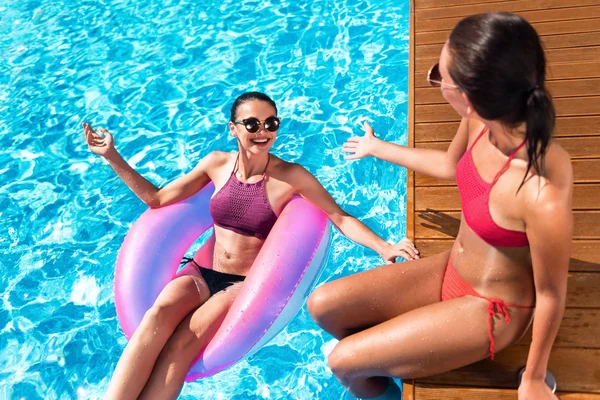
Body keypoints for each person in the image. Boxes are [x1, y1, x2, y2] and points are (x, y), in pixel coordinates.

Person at [84, 91, 418, 400]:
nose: (263, 131)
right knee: (155, 318)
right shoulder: (216, 164)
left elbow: (340, 217)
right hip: (201, 272)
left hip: (239, 285)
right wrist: (112, 156)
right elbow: (157, 198)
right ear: (233, 128)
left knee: (180, 345)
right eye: (252, 124)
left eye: (271, 123)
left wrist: (384, 247)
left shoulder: (290, 177)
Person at [307, 12, 572, 400]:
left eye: (440, 76)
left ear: (466, 95)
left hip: (492, 309)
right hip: (452, 268)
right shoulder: (480, 120)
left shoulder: (538, 188)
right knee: (322, 306)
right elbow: (450, 166)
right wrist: (377, 148)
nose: (435, 83)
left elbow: (552, 293)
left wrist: (533, 378)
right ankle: (390, 357)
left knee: (342, 361)